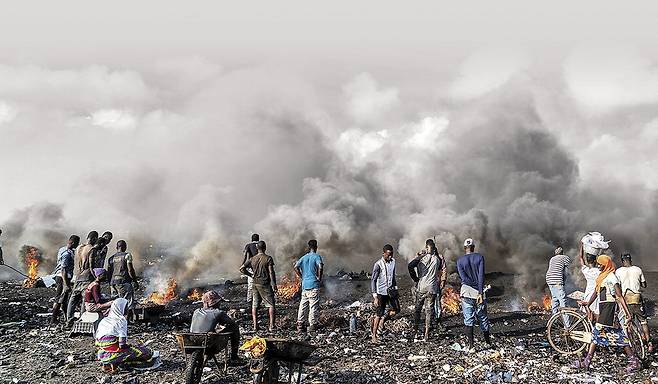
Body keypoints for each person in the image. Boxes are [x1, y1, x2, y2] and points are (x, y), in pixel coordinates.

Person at [576, 255, 640, 373]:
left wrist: (627, 313)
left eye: (600, 264)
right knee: (617, 335)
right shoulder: (602, 277)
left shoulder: (611, 277)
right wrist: (588, 303)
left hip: (609, 308)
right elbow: (596, 292)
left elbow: (619, 296)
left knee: (596, 333)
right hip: (604, 307)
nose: (598, 265)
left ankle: (587, 362)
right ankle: (633, 361)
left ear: (606, 265)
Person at [95, 298, 160, 372]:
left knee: (117, 347)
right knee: (147, 351)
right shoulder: (121, 320)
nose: (127, 309)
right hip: (113, 355)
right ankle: (141, 365)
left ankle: (110, 366)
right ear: (121, 308)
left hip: (102, 355)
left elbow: (98, 341)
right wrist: (132, 347)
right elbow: (122, 345)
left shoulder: (104, 320)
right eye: (126, 307)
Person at [457, 238, 492, 352]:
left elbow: (464, 278)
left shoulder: (460, 261)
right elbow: (481, 275)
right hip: (478, 293)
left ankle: (471, 346)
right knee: (482, 317)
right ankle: (487, 343)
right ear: (473, 247)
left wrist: (472, 285)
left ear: (464, 248)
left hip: (466, 292)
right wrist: (480, 291)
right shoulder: (479, 257)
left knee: (468, 319)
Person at [190, 291, 242, 364]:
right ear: (215, 303)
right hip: (209, 343)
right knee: (235, 328)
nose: (219, 304)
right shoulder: (218, 312)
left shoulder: (196, 311)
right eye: (218, 302)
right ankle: (234, 356)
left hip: (192, 340)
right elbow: (230, 323)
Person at [616, 253, 653, 353]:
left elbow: (617, 286)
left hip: (626, 299)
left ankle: (632, 344)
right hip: (636, 298)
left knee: (628, 322)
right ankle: (649, 344)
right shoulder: (638, 269)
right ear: (631, 260)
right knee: (643, 321)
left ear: (622, 261)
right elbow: (644, 285)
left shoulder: (618, 271)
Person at [408, 239, 443, 340]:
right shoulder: (437, 259)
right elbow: (439, 266)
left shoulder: (422, 258)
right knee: (429, 311)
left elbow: (410, 265)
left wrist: (415, 278)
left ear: (427, 247)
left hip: (422, 287)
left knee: (417, 310)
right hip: (432, 289)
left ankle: (415, 331)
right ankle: (426, 334)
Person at [240, 240, 278, 332]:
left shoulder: (252, 259)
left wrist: (250, 275)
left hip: (255, 283)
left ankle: (255, 326)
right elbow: (271, 272)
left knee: (255, 305)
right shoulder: (268, 258)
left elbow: (241, 268)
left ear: (257, 248)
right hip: (265, 284)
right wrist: (274, 284)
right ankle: (271, 326)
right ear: (265, 248)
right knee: (271, 305)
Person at [66, 231, 99, 327]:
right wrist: (96, 278)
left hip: (77, 276)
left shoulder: (78, 248)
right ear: (93, 239)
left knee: (73, 299)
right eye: (95, 239)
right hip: (86, 277)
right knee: (85, 300)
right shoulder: (91, 249)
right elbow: (91, 266)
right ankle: (81, 321)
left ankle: (69, 320)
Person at [371, 244, 399, 343]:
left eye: (391, 254)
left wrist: (396, 289)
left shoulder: (393, 262)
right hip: (381, 293)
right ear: (383, 254)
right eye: (388, 255)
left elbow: (393, 277)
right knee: (378, 314)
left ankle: (383, 321)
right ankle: (374, 336)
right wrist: (375, 296)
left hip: (390, 291)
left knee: (396, 310)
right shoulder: (378, 264)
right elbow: (373, 280)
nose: (390, 256)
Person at [295, 239, 324, 334]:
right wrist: (319, 278)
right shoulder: (316, 256)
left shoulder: (303, 257)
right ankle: (312, 325)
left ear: (308, 247)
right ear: (316, 247)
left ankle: (300, 325)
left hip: (305, 285)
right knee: (313, 306)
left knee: (303, 305)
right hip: (313, 285)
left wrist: (301, 276)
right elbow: (320, 266)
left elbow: (295, 267)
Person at [51, 235, 80, 324]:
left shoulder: (62, 249)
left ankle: (66, 317)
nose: (77, 245)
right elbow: (63, 269)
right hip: (63, 278)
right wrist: (66, 284)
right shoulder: (67, 254)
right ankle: (53, 319)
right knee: (59, 299)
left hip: (60, 277)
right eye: (77, 243)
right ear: (73, 242)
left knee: (64, 299)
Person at [107, 240, 138, 319]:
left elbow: (109, 272)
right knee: (128, 303)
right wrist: (135, 281)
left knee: (116, 304)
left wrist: (110, 283)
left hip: (113, 283)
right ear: (125, 247)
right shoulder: (127, 255)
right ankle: (127, 322)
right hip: (124, 282)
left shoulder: (111, 258)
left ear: (117, 247)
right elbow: (130, 270)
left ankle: (116, 321)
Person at [545, 246, 571, 318]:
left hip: (549, 279)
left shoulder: (552, 259)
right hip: (557, 280)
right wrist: (563, 282)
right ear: (562, 252)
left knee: (555, 299)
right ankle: (567, 325)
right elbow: (566, 271)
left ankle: (554, 320)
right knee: (563, 301)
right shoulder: (565, 257)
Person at [579, 243, 600, 321]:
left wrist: (582, 245)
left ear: (587, 261)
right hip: (596, 295)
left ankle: (589, 327)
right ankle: (596, 331)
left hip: (588, 294)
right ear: (595, 260)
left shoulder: (586, 271)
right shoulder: (599, 272)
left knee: (589, 314)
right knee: (597, 315)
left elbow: (581, 257)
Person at [242, 234, 260, 303]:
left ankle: (249, 300)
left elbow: (245, 254)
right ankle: (260, 299)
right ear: (258, 239)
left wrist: (243, 263)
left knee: (250, 284)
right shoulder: (260, 244)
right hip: (260, 266)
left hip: (251, 266)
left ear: (251, 239)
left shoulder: (248, 245)